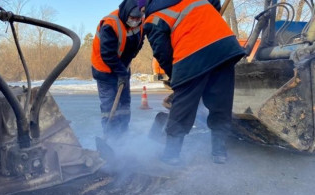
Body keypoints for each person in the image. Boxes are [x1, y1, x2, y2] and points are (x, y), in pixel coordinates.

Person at [139, 0, 246, 165]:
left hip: (192, 53)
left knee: (183, 105)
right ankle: (219, 152)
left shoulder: (153, 17)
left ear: (145, 6)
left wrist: (176, 77)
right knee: (221, 102)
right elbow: (215, 2)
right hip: (225, 46)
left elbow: (163, 53)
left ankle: (171, 154)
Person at [91, 0, 144, 139]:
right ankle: (110, 137)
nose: (136, 21)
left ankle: (123, 134)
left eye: (139, 19)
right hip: (104, 70)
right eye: (133, 18)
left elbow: (139, 42)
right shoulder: (110, 24)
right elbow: (107, 54)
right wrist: (121, 72)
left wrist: (124, 68)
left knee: (125, 103)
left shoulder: (140, 22)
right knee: (109, 106)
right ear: (126, 14)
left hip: (123, 69)